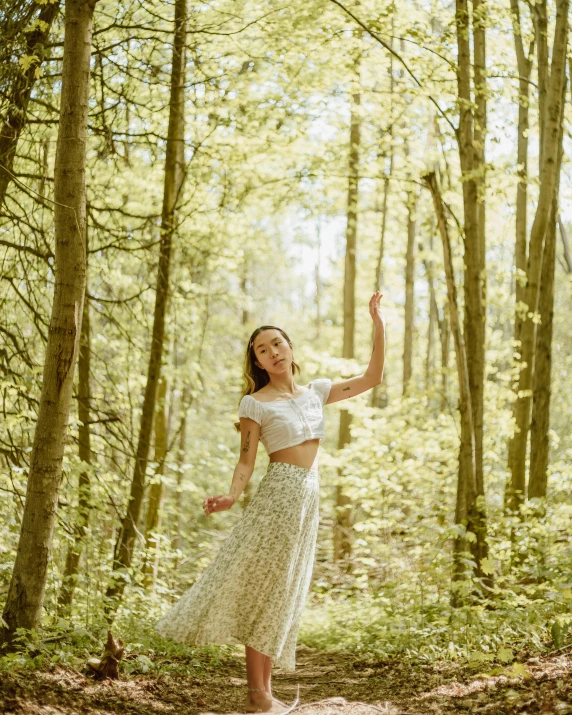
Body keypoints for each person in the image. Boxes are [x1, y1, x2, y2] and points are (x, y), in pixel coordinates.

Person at [155, 292, 386, 713]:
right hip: (279, 495)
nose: (272, 351)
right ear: (258, 363)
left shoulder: (317, 392)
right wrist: (230, 496)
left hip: (308, 499)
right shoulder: (254, 404)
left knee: (282, 593)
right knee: (266, 589)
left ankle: (263, 694)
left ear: (290, 348)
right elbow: (246, 460)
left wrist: (378, 322)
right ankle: (258, 695)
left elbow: (372, 377)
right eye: (263, 349)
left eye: (277, 343)